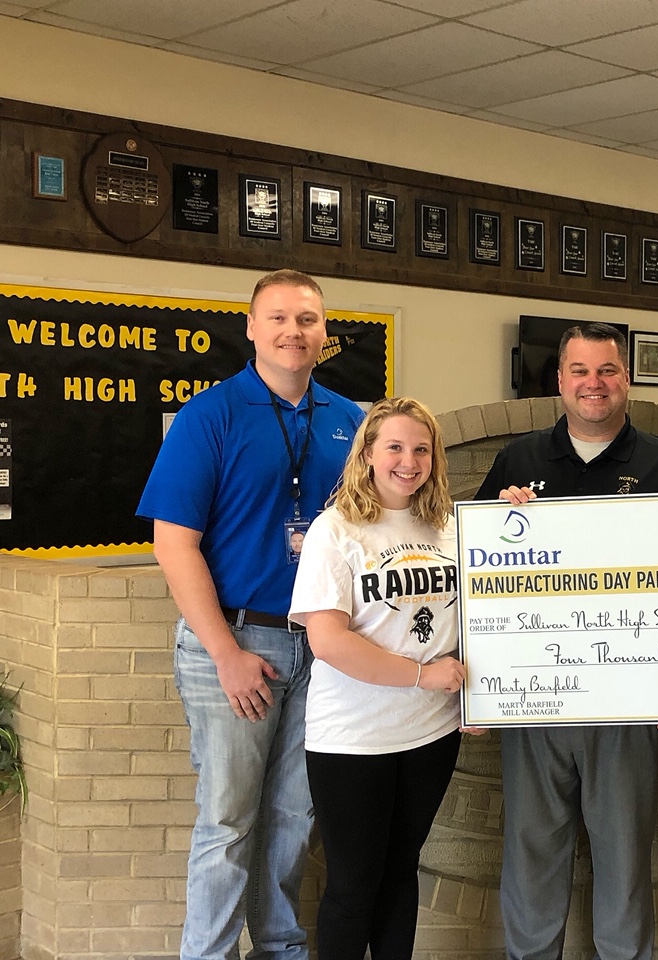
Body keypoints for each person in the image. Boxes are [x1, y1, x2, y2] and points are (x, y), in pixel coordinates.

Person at [137, 269, 365, 960]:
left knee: (296, 817)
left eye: (307, 319)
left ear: (324, 331)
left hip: (321, 651)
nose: (293, 331)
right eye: (278, 318)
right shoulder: (212, 414)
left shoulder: (350, 421)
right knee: (229, 822)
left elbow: (389, 528)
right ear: (251, 328)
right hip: (235, 643)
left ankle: (280, 949)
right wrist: (225, 655)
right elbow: (173, 544)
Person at [476, 323, 658, 960]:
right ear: (560, 380)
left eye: (606, 371)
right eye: (580, 371)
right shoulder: (516, 462)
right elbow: (474, 576)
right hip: (535, 700)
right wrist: (503, 521)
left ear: (625, 378)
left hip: (629, 704)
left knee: (626, 858)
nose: (593, 384)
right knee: (531, 853)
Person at [288, 396, 465, 960]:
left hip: (431, 733)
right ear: (366, 455)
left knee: (400, 873)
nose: (408, 461)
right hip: (353, 738)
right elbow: (329, 641)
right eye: (394, 447)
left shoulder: (451, 527)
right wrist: (422, 676)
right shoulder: (334, 529)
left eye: (421, 448)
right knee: (353, 884)